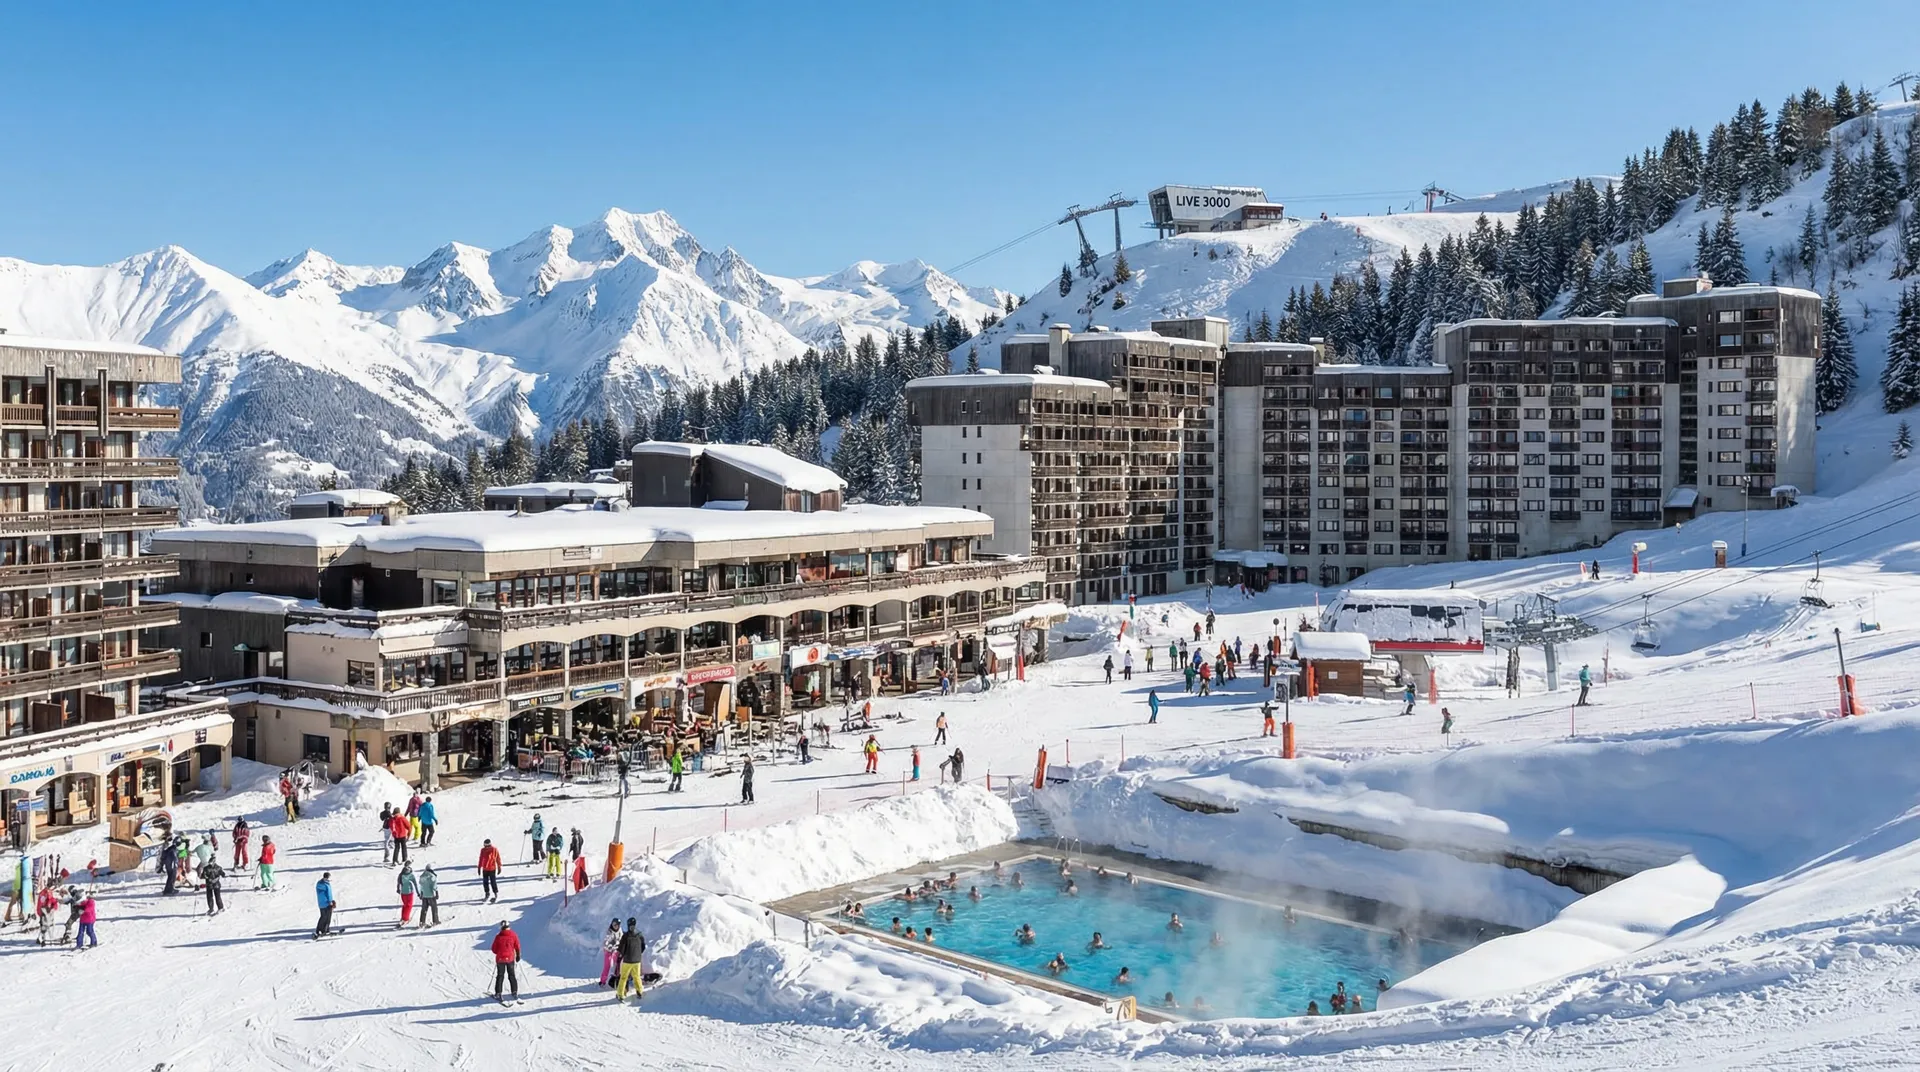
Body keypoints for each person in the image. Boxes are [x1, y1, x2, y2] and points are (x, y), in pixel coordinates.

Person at [616, 917, 646, 1001]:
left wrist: (621, 957)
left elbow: (621, 949)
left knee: (624, 977)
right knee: (637, 976)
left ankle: (620, 994)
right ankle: (640, 992)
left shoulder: (625, 936)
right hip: (637, 960)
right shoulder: (640, 934)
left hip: (628, 960)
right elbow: (643, 947)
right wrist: (637, 954)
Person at [491, 922, 522, 1001]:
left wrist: (499, 952)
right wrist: (518, 955)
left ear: (501, 928)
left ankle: (498, 993)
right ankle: (514, 992)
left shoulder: (498, 937)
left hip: (500, 959)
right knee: (512, 975)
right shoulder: (513, 935)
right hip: (510, 958)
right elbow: (517, 945)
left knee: (500, 976)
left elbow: (494, 949)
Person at [478, 838, 502, 902]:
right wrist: (479, 867)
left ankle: (495, 893)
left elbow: (497, 858)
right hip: (485, 869)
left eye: (486, 846)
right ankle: (487, 893)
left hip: (492, 869)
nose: (485, 847)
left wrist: (499, 866)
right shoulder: (483, 850)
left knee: (492, 882)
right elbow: (481, 858)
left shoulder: (494, 849)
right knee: (485, 882)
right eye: (485, 846)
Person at [600, 919, 623, 986]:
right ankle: (603, 980)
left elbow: (621, 938)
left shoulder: (620, 930)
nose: (615, 926)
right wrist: (610, 946)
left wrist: (620, 944)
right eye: (614, 925)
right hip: (609, 951)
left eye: (617, 925)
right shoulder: (609, 932)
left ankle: (616, 978)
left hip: (616, 950)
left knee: (618, 963)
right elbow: (605, 942)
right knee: (608, 965)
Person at [313, 873, 336, 939]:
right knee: (324, 917)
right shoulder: (322, 884)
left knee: (327, 917)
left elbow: (329, 894)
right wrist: (330, 902)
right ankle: (319, 930)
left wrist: (332, 900)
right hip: (325, 903)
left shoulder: (325, 884)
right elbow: (324, 895)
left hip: (326, 903)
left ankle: (325, 929)